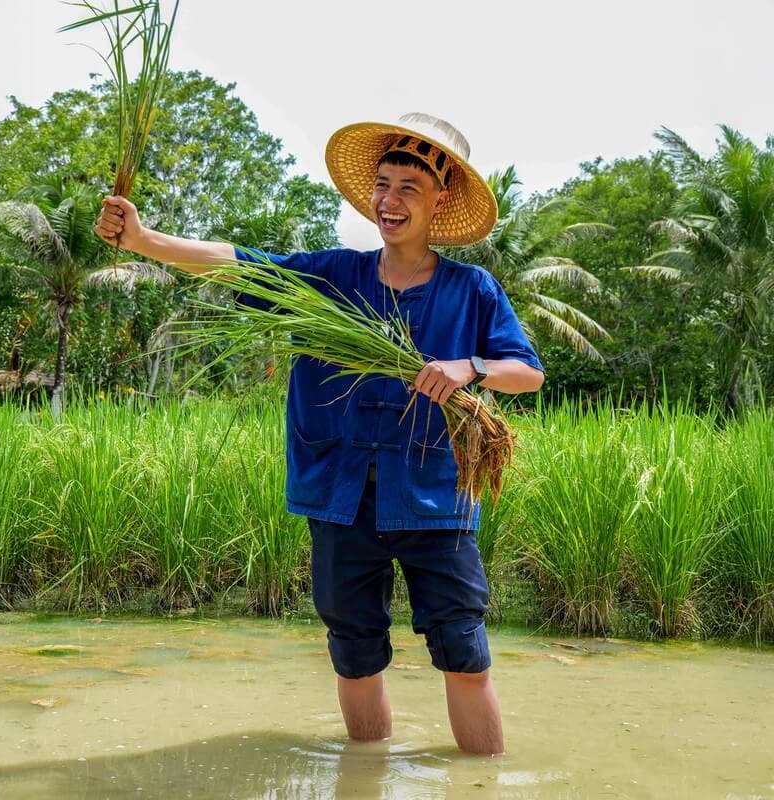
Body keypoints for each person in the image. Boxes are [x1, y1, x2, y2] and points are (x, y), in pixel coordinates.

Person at [94, 112, 545, 755]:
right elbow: (238, 264)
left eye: (408, 189)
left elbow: (527, 373)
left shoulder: (472, 289)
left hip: (433, 499)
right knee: (355, 653)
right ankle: (365, 776)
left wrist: (469, 366)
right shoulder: (332, 277)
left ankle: (482, 784)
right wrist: (146, 240)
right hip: (341, 493)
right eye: (382, 185)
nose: (389, 201)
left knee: (464, 652)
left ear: (440, 200)